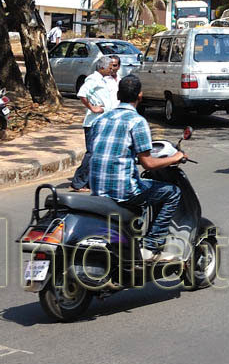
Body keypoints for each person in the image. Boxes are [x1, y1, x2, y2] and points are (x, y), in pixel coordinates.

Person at [88, 74, 186, 262]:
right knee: (172, 192)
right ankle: (151, 245)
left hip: (97, 188)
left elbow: (100, 150)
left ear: (118, 94)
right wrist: (176, 157)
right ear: (140, 96)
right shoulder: (137, 121)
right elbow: (148, 163)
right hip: (123, 190)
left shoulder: (101, 119)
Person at [70, 54, 122, 191]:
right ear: (103, 67)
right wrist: (92, 107)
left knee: (98, 153)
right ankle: (78, 182)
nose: (111, 70)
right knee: (92, 153)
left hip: (102, 121)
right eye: (110, 67)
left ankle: (89, 182)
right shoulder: (93, 79)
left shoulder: (103, 80)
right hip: (93, 122)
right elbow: (82, 94)